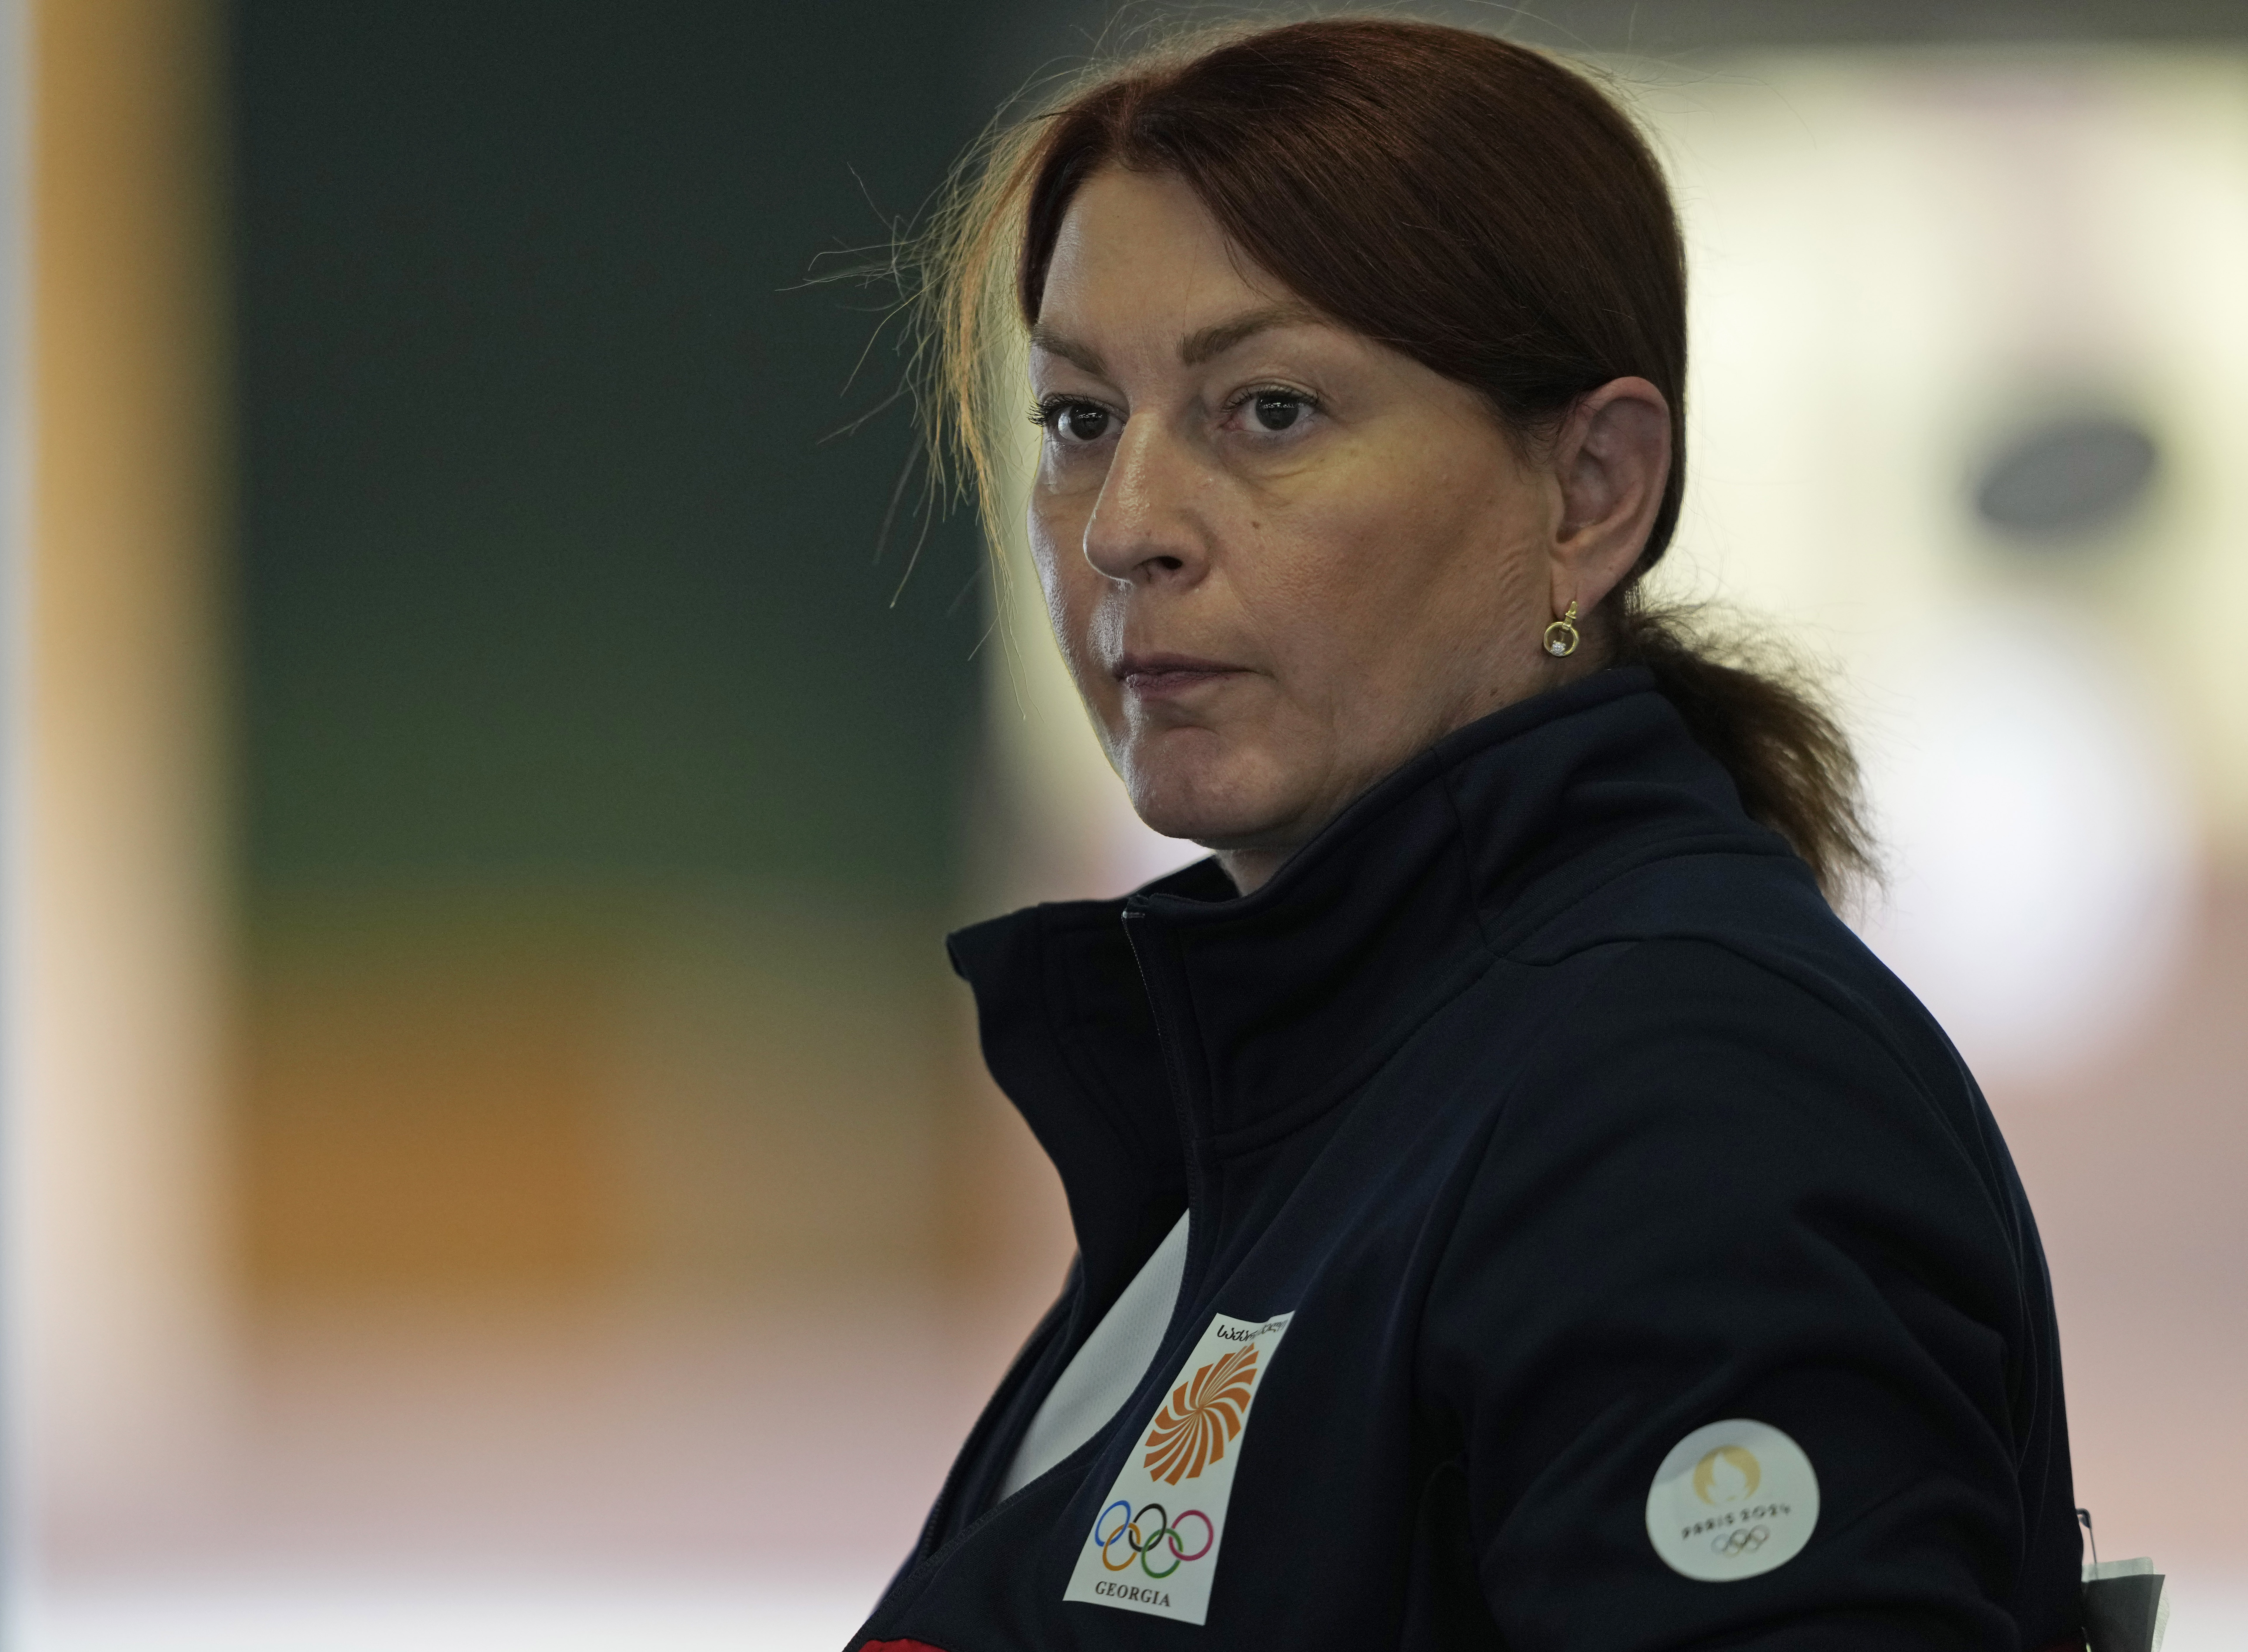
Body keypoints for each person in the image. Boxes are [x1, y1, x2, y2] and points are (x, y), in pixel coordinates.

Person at [851, 18, 2080, 1651]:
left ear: (1590, 494)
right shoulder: (1316, 1105)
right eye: (1080, 419)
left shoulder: (1682, 1098)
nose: (1130, 525)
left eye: (1269, 409)